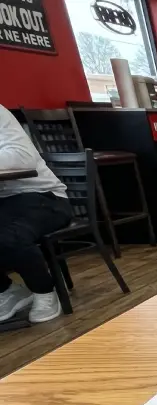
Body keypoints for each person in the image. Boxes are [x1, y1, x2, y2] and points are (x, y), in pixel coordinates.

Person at [0, 105, 71, 323]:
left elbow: (22, 158)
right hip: (4, 201)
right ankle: (8, 291)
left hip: (42, 196)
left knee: (8, 233)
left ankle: (43, 290)